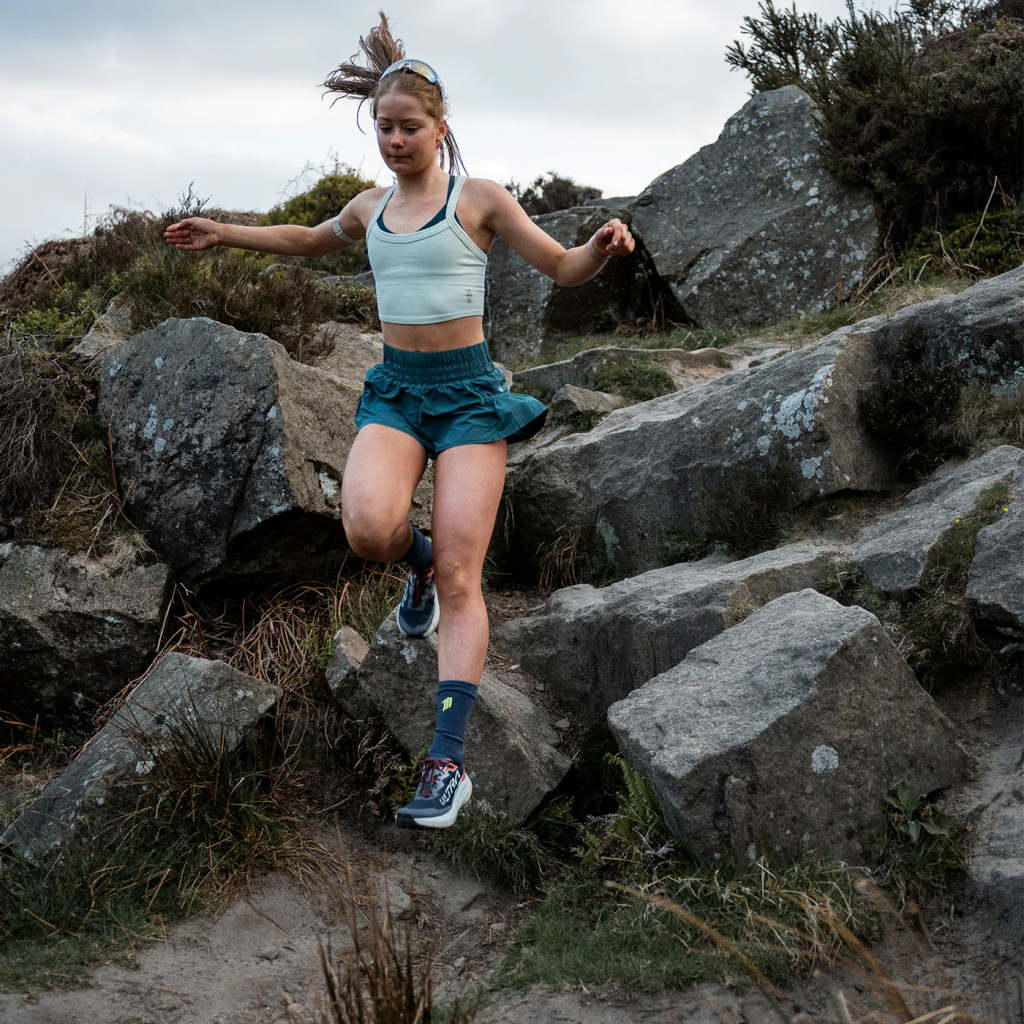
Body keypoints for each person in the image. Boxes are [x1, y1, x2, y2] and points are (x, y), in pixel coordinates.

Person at [164, 13, 634, 830]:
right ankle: (412, 565)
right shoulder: (370, 207)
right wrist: (224, 232)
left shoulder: (479, 200)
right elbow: (305, 238)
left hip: (469, 397)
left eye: (409, 127)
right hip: (397, 392)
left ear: (440, 127)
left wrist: (600, 245)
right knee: (368, 530)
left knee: (461, 573)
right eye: (383, 127)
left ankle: (446, 766)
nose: (394, 140)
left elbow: (562, 268)